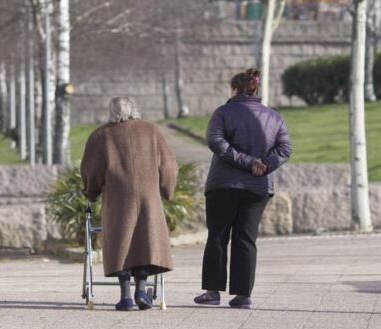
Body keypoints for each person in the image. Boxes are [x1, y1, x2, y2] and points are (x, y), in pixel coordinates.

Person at [194, 69, 292, 309]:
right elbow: (285, 148)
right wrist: (263, 165)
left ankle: (213, 292)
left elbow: (216, 141)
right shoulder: (274, 117)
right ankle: (243, 295)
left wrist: (248, 162)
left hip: (224, 185)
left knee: (218, 236)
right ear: (255, 90)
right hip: (258, 188)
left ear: (234, 89)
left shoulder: (223, 113)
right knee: (246, 240)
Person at [81, 96, 178, 311]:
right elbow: (169, 165)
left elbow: (91, 169)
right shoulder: (151, 130)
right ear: (135, 109)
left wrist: (91, 193)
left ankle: (125, 297)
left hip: (117, 199)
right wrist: (167, 190)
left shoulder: (101, 135)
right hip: (148, 196)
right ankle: (142, 290)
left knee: (120, 242)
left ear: (111, 112)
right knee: (145, 239)